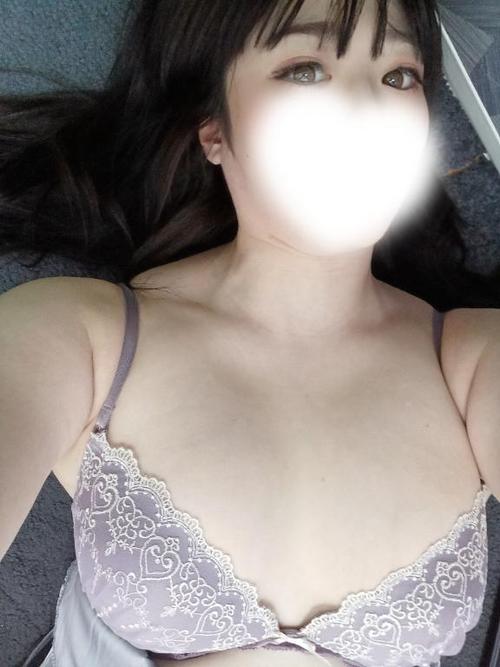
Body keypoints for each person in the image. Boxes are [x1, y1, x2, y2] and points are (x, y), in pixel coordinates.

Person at [1, 1, 496, 666]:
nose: (367, 109)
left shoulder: (476, 358)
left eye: (398, 76)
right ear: (214, 129)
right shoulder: (78, 333)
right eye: (305, 69)